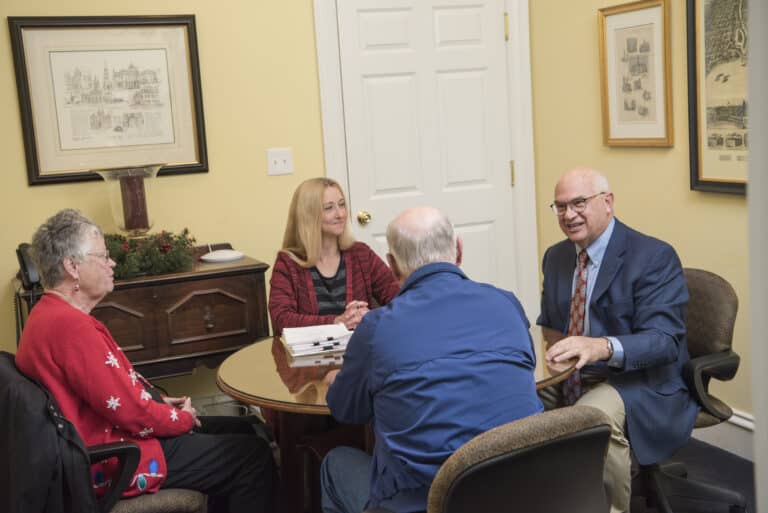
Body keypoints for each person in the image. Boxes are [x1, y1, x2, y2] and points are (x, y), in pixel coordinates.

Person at [15, 209, 273, 513]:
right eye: (102, 256)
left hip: (106, 440)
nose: (112, 264)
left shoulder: (48, 315)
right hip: (114, 458)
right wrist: (182, 419)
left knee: (244, 429)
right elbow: (132, 412)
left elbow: (120, 394)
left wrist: (163, 405)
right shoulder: (70, 328)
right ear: (72, 266)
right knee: (253, 456)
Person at [320, 206, 543, 513]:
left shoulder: (377, 328)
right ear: (459, 250)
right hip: (522, 494)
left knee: (335, 464)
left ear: (392, 266)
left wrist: (334, 379)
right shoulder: (507, 304)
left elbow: (346, 409)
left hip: (426, 503)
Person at [537, 168, 698, 513]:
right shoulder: (556, 257)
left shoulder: (653, 257)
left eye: (579, 203)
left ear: (607, 203)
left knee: (592, 418)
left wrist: (602, 346)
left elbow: (664, 341)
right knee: (516, 399)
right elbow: (549, 327)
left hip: (639, 379)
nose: (569, 215)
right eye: (560, 206)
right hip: (574, 371)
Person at [268, 177, 400, 335]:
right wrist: (337, 322)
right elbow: (281, 320)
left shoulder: (361, 254)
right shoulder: (288, 262)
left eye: (342, 205)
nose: (340, 214)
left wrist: (369, 316)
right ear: (309, 216)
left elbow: (400, 298)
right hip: (308, 357)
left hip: (358, 352)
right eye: (329, 208)